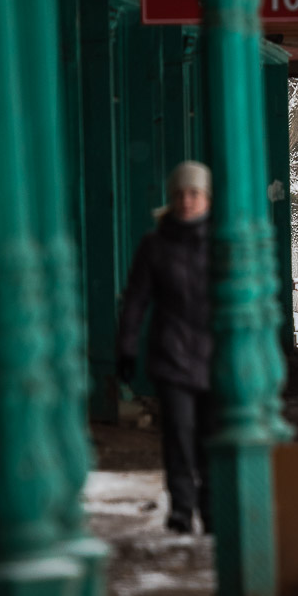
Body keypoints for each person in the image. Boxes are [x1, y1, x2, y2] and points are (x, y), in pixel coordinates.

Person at [117, 161, 213, 535]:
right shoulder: (155, 245)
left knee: (210, 436)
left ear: (207, 198)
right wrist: (126, 347)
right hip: (171, 355)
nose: (186, 201)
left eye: (194, 194)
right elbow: (136, 301)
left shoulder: (222, 242)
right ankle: (182, 509)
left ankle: (212, 508)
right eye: (179, 195)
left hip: (214, 357)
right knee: (179, 434)